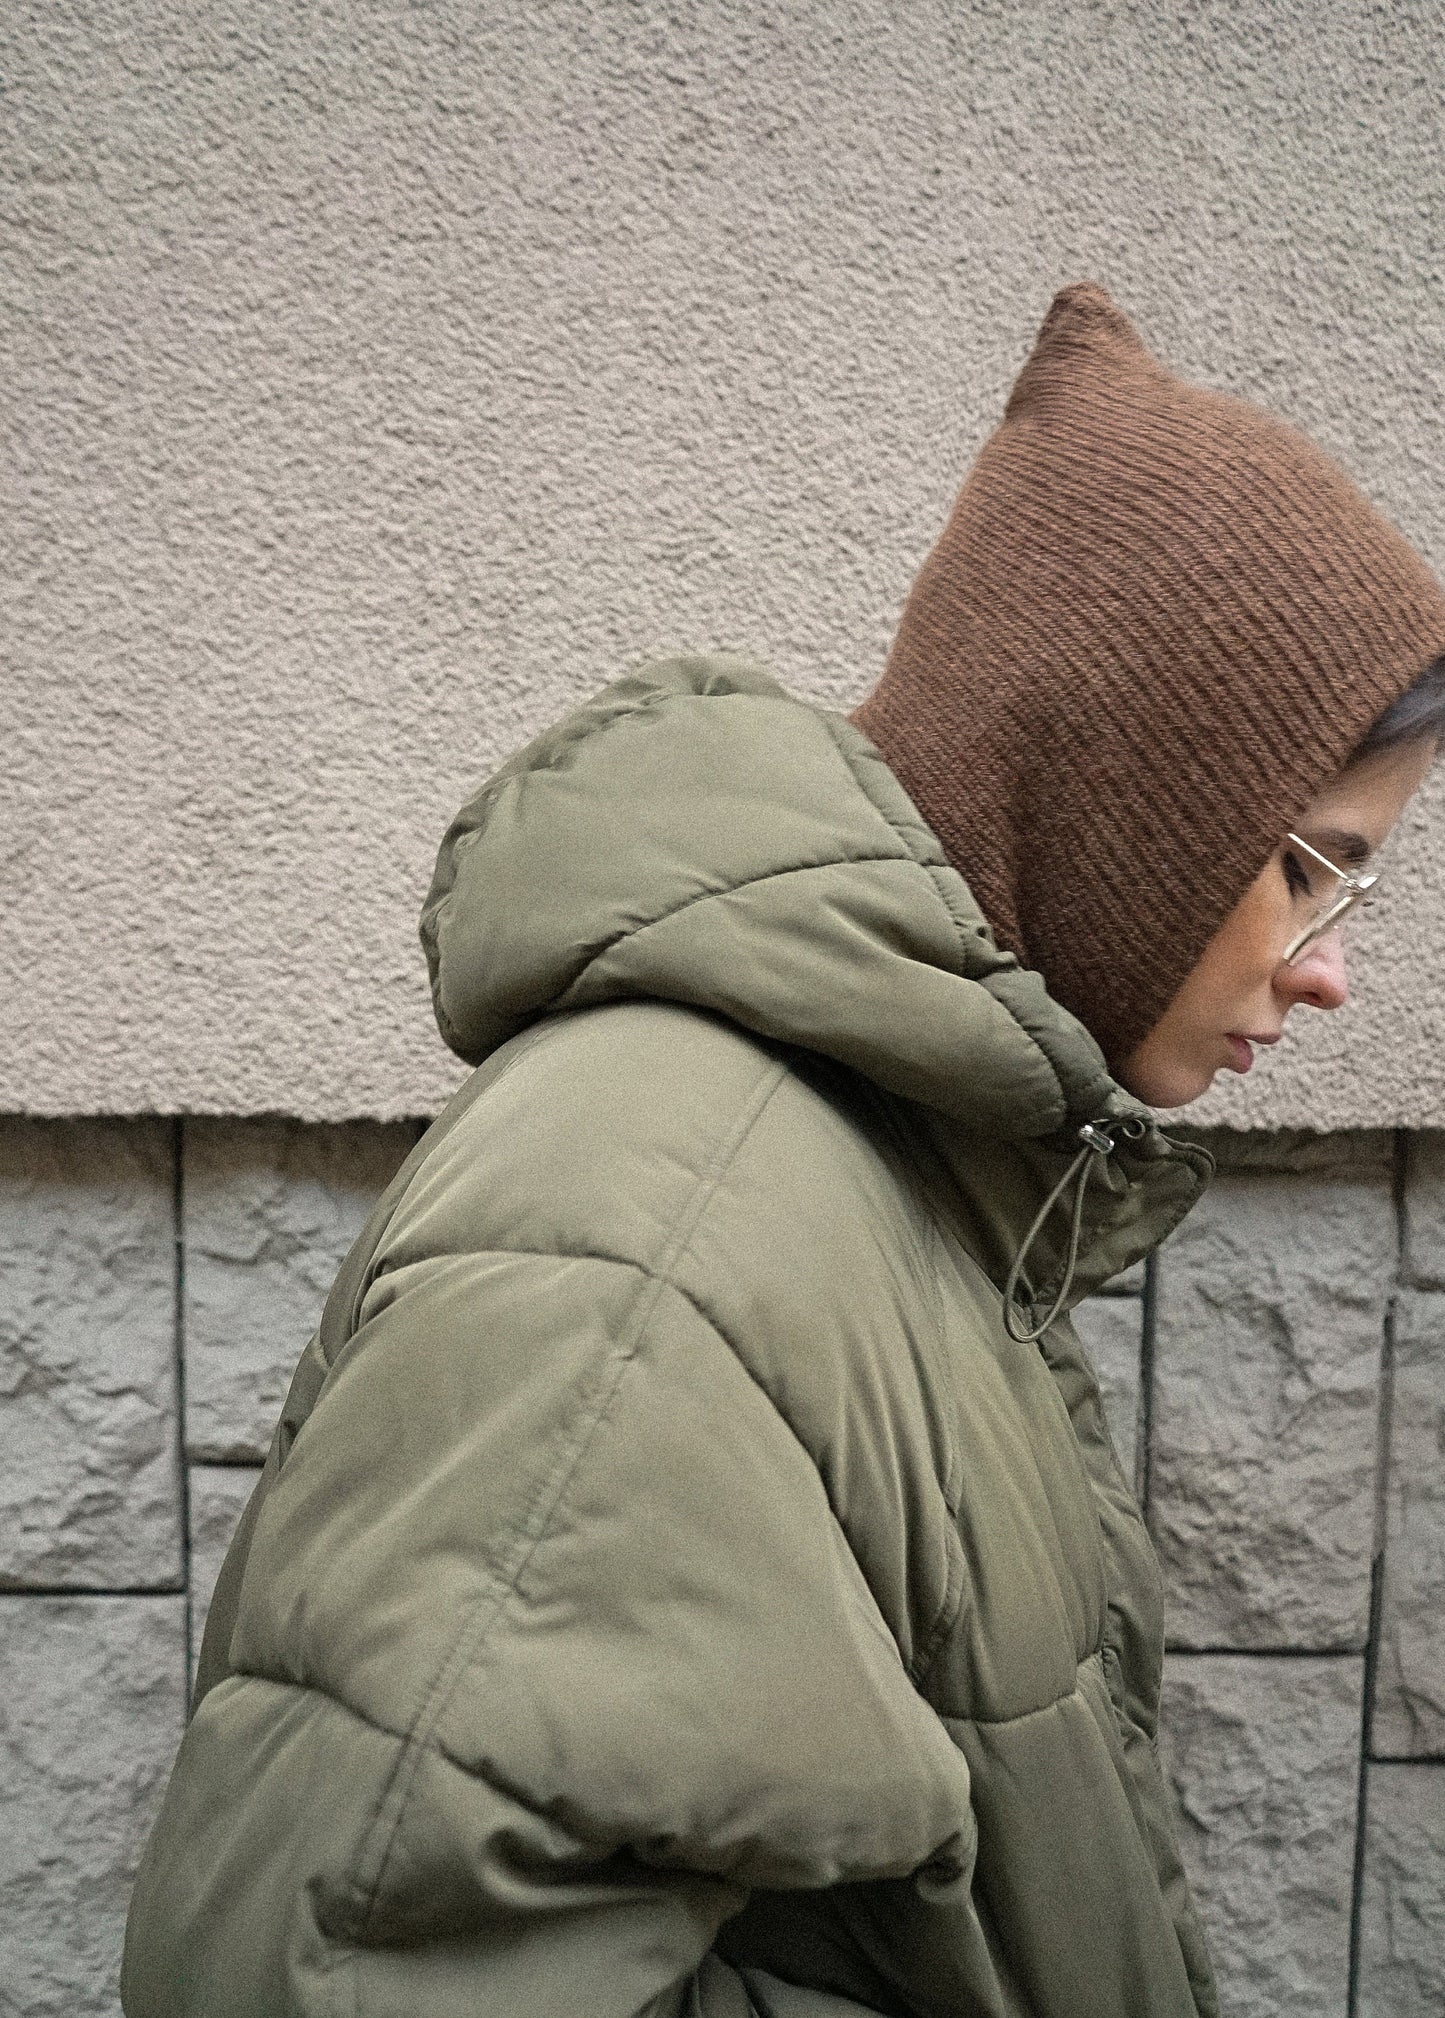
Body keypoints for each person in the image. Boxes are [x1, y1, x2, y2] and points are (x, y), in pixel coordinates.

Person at [122, 283, 1445, 2018]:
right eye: (1310, 868)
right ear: (1122, 789)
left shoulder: (910, 1157)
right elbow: (338, 1970)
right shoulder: (649, 1261)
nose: (1330, 967)